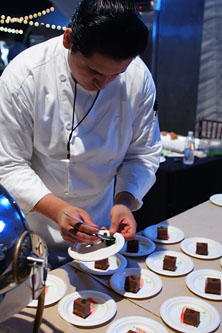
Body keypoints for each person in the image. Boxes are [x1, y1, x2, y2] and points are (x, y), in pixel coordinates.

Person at [0, 0, 162, 268]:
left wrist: (124, 201)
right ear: (68, 39)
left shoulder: (138, 78)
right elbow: (9, 165)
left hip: (100, 228)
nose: (103, 84)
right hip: (35, 225)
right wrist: (57, 210)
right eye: (94, 72)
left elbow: (143, 153)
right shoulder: (24, 77)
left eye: (116, 74)